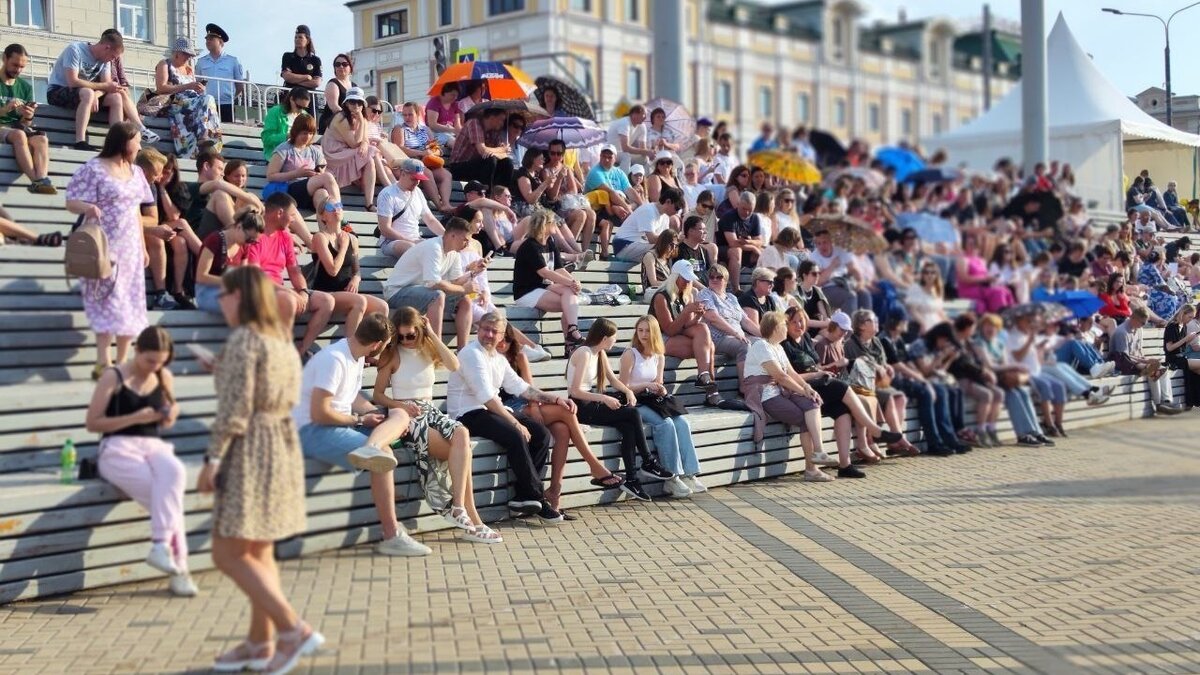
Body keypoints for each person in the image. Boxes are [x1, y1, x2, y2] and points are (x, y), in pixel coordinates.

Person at [197, 267, 324, 673]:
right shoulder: (280, 340)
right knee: (258, 549)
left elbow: (235, 410)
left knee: (227, 552)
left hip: (250, 446)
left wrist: (212, 459)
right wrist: (221, 371)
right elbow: (264, 390)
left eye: (227, 295)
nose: (221, 301)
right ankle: (259, 641)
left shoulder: (244, 341)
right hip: (280, 442)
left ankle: (292, 630)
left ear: (242, 298)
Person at [293, 312, 434, 557]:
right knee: (383, 457)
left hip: (339, 424)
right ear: (377, 344)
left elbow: (352, 397)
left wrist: (374, 412)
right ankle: (391, 535)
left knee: (400, 415)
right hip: (312, 431)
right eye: (387, 345)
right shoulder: (334, 360)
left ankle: (372, 446)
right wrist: (360, 419)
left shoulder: (355, 354)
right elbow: (319, 413)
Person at [373, 308, 502, 543]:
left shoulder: (427, 347)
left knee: (462, 433)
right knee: (463, 458)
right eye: (400, 336)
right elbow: (378, 395)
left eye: (410, 335)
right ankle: (473, 519)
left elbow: (454, 365)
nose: (405, 341)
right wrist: (400, 406)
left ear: (419, 330)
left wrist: (431, 333)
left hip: (430, 410)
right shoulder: (392, 355)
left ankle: (460, 508)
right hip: (405, 415)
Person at [85, 326, 196, 597]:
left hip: (153, 445)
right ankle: (180, 570)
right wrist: (136, 418)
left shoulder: (163, 375)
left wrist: (169, 414)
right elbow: (92, 423)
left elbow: (171, 410)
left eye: (161, 362)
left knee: (175, 472)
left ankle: (160, 547)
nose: (154, 367)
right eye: (149, 361)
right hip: (117, 446)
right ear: (136, 351)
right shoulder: (113, 376)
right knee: (169, 500)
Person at [446, 311, 568, 523]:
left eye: (495, 332)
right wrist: (514, 422)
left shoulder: (499, 359)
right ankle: (538, 496)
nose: (489, 335)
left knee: (541, 434)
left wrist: (554, 399)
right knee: (515, 434)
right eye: (486, 329)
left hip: (489, 411)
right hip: (467, 414)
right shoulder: (470, 354)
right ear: (478, 329)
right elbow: (485, 397)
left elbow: (522, 389)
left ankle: (524, 496)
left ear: (502, 336)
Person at [494, 324, 623, 514]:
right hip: (506, 409)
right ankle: (594, 465)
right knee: (566, 413)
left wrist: (534, 406)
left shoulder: (519, 357)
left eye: (506, 339)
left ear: (512, 340)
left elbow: (528, 387)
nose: (502, 343)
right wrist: (535, 406)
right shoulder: (490, 358)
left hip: (526, 405)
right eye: (500, 338)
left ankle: (555, 491)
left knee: (562, 430)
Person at [65, 123, 153, 380]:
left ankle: (122, 361)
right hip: (102, 245)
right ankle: (103, 360)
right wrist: (88, 208)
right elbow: (71, 202)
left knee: (130, 303)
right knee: (105, 300)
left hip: (130, 248)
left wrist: (143, 246)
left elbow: (137, 210)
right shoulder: (93, 169)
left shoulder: (136, 172)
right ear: (124, 141)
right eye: (136, 141)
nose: (139, 146)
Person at [780, 307, 901, 477]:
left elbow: (817, 366)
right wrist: (818, 373)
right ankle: (874, 430)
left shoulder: (806, 338)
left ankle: (845, 465)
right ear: (786, 323)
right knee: (841, 387)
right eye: (794, 322)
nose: (799, 325)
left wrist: (825, 369)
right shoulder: (784, 344)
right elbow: (790, 376)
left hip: (818, 385)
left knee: (843, 412)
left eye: (801, 320)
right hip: (801, 388)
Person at [568, 319, 673, 502]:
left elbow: (613, 380)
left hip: (591, 401)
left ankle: (632, 479)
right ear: (604, 338)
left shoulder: (600, 353)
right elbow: (575, 391)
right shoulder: (584, 352)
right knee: (633, 413)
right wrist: (605, 398)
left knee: (628, 425)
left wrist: (627, 391)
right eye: (613, 338)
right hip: (580, 405)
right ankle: (648, 461)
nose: (615, 342)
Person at [742, 311, 837, 482]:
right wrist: (803, 390)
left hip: (779, 391)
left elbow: (791, 373)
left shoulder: (778, 347)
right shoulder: (761, 346)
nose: (787, 328)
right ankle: (811, 470)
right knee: (803, 419)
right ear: (776, 328)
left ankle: (819, 452)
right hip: (764, 395)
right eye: (784, 325)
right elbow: (781, 377)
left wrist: (808, 388)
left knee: (812, 402)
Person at [238, 192, 337, 357]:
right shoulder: (254, 235)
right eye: (292, 215)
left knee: (327, 301)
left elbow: (294, 270)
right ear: (279, 214)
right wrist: (288, 292)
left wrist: (303, 291)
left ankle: (301, 350)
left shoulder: (284, 236)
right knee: (289, 299)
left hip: (280, 291)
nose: (293, 220)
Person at [618, 316, 705, 497]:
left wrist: (660, 389)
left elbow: (658, 382)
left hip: (652, 400)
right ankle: (671, 478)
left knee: (682, 423)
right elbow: (622, 386)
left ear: (655, 332)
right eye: (640, 330)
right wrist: (645, 386)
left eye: (648, 330)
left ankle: (689, 473)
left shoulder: (659, 355)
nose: (643, 334)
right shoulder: (630, 354)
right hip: (634, 401)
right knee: (666, 425)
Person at [47, 30, 160, 150]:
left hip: (85, 94)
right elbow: (72, 82)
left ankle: (118, 143)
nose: (112, 60)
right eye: (112, 56)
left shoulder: (105, 61)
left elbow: (107, 86)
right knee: (87, 93)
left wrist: (96, 95)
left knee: (116, 97)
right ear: (107, 48)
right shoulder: (75, 50)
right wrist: (96, 92)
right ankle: (80, 141)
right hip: (58, 90)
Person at [381, 216, 484, 345]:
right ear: (452, 236)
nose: (467, 244)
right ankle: (437, 346)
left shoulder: (454, 253)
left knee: (465, 301)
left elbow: (456, 281)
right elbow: (434, 283)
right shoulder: (433, 247)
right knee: (438, 295)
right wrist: (464, 289)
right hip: (396, 293)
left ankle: (462, 350)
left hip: (421, 293)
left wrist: (474, 272)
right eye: (465, 240)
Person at [971, 314, 1057, 446]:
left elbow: (1004, 363)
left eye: (994, 326)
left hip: (1002, 378)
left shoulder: (999, 343)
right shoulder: (979, 343)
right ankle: (1022, 434)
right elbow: (990, 365)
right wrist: (1015, 366)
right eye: (987, 325)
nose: (990, 329)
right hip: (987, 379)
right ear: (982, 327)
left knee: (1022, 392)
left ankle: (1035, 432)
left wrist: (1013, 368)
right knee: (1013, 395)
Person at [512, 208, 588, 353]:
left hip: (543, 288)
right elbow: (545, 272)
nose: (557, 224)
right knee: (569, 302)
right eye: (553, 222)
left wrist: (574, 282)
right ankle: (571, 339)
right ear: (544, 225)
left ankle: (571, 333)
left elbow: (559, 268)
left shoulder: (550, 242)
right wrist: (569, 283)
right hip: (527, 291)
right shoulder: (530, 246)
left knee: (570, 293)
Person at [308, 200, 389, 336]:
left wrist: (356, 280)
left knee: (382, 307)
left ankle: (369, 352)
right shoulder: (320, 237)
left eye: (339, 205)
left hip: (346, 294)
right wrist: (343, 247)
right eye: (330, 207)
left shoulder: (352, 239)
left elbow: (356, 271)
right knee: (359, 301)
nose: (336, 209)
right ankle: (350, 348)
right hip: (325, 293)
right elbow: (332, 271)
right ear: (322, 216)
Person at [650, 261, 722, 406]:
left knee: (703, 330)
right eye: (685, 278)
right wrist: (686, 311)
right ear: (675, 277)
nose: (688, 282)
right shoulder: (661, 297)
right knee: (709, 348)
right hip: (658, 338)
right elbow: (670, 329)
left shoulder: (685, 294)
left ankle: (704, 376)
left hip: (675, 335)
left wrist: (697, 316)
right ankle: (712, 392)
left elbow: (687, 325)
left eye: (690, 279)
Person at [153, 37, 222, 159]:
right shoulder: (165, 64)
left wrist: (197, 88)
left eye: (190, 55)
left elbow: (192, 89)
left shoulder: (189, 69)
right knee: (207, 99)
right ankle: (204, 136)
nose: (188, 57)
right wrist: (188, 86)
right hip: (174, 101)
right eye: (186, 54)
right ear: (177, 52)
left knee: (208, 98)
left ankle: (209, 138)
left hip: (191, 101)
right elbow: (161, 88)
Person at [0, 43, 55, 194]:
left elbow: (25, 124)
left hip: (17, 129)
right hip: (5, 129)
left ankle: (43, 179)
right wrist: (5, 109)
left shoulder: (25, 87)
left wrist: (28, 115)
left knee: (42, 139)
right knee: (19, 135)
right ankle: (35, 181)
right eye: (15, 65)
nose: (18, 70)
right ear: (4, 58)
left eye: (22, 67)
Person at [1110, 305, 1183, 416]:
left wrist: (1147, 360)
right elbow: (1123, 357)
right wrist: (1146, 362)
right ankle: (1158, 405)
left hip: (1137, 362)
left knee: (1162, 369)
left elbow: (1139, 351)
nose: (1143, 325)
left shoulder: (1139, 329)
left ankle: (1167, 401)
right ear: (1133, 318)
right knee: (1153, 370)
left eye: (1145, 323)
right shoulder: (1122, 332)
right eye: (1142, 323)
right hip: (1124, 364)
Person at [698, 263, 760, 389]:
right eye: (711, 277)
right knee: (744, 345)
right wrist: (736, 333)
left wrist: (765, 336)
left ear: (726, 281)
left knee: (763, 344)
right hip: (718, 338)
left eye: (719, 277)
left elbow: (745, 321)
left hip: (736, 337)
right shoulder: (705, 293)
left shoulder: (732, 297)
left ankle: (764, 385)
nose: (714, 279)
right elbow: (713, 318)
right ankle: (745, 388)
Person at [321, 87, 382, 211]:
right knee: (371, 152)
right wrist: (362, 123)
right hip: (334, 154)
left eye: (359, 103)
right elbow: (355, 143)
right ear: (346, 104)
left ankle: (369, 203)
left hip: (346, 152)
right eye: (352, 102)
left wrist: (364, 142)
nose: (356, 106)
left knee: (369, 158)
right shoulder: (341, 118)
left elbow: (363, 140)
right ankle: (389, 186)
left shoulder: (360, 118)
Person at [195, 208, 262, 315]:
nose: (250, 243)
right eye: (249, 239)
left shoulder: (244, 246)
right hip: (206, 291)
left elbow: (242, 276)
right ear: (239, 227)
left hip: (230, 292)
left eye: (253, 241)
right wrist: (231, 283)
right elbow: (201, 277)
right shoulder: (215, 240)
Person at [394, 101, 454, 211]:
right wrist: (421, 153)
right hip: (412, 162)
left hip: (427, 160)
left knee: (446, 175)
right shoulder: (400, 129)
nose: (407, 117)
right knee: (426, 173)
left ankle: (446, 203)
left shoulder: (425, 129)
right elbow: (400, 148)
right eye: (404, 115)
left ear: (417, 114)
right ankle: (439, 206)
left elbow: (437, 148)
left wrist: (433, 152)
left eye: (410, 114)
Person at [447, 107, 515, 188]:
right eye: (501, 120)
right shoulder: (474, 123)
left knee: (508, 163)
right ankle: (486, 193)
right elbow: (482, 151)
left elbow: (502, 154)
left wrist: (502, 150)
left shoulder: (494, 131)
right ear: (492, 118)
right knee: (490, 160)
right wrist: (502, 150)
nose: (502, 124)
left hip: (479, 166)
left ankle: (501, 193)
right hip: (459, 166)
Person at [612, 187, 684, 262]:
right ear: (668, 201)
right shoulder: (648, 210)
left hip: (638, 246)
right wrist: (676, 238)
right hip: (624, 246)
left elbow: (661, 239)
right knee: (663, 248)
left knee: (670, 249)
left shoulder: (665, 217)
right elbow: (652, 239)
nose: (676, 212)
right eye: (676, 208)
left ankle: (660, 273)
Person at [810, 229, 871, 314]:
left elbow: (853, 269)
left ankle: (866, 324)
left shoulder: (840, 250)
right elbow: (818, 282)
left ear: (831, 241)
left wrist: (860, 282)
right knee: (850, 296)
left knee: (864, 294)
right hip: (826, 289)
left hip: (845, 283)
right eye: (818, 243)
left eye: (825, 242)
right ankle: (849, 326)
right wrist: (832, 266)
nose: (822, 246)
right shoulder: (813, 257)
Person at [195, 23, 245, 124]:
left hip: (226, 105)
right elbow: (197, 83)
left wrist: (229, 97)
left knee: (226, 134)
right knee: (207, 133)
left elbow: (240, 86)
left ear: (220, 42)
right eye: (207, 39)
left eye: (211, 39)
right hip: (207, 103)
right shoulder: (201, 62)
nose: (207, 41)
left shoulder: (233, 61)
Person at [716, 191, 764, 292]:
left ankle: (760, 288)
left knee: (764, 252)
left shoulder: (754, 218)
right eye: (744, 209)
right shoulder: (729, 217)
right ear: (738, 204)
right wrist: (753, 246)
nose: (746, 212)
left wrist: (750, 243)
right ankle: (736, 289)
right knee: (736, 250)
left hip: (744, 252)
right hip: (724, 250)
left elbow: (760, 241)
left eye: (750, 210)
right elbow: (733, 243)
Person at [957, 232, 1015, 314]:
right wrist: (984, 279)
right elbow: (964, 278)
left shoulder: (981, 260)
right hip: (969, 290)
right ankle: (1001, 315)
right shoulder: (963, 260)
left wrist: (991, 279)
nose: (973, 246)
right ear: (965, 245)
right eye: (970, 244)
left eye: (975, 244)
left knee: (1006, 291)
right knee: (999, 292)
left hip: (982, 288)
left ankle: (1010, 314)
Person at [260, 85, 310, 161]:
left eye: (304, 108)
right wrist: (288, 136)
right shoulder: (275, 112)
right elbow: (267, 139)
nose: (301, 111)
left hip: (298, 156)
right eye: (299, 106)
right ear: (291, 99)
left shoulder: (305, 115)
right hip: (277, 156)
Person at [1164, 304, 1200, 409]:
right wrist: (1185, 339)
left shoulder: (1183, 326)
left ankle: (1194, 400)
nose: (1190, 320)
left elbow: (1182, 347)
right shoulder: (1172, 326)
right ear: (1183, 314)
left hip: (1182, 357)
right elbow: (1169, 348)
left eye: (1192, 318)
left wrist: (1190, 339)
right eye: (1189, 317)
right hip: (1173, 359)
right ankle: (1194, 401)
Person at [280, 24, 322, 103]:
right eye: (295, 37)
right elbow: (287, 76)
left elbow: (316, 82)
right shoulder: (288, 56)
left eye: (300, 37)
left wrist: (294, 81)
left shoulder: (315, 60)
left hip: (308, 101)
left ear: (308, 40)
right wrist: (306, 77)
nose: (297, 39)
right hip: (290, 100)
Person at [607, 105, 652, 170]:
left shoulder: (642, 126)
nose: (645, 117)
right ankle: (624, 179)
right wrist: (647, 152)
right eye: (644, 114)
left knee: (645, 158)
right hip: (611, 152)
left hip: (623, 153)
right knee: (626, 156)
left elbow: (643, 149)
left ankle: (645, 179)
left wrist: (650, 153)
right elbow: (625, 148)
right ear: (635, 114)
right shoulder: (624, 123)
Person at [317, 52, 352, 134]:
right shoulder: (332, 83)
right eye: (337, 64)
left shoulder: (354, 86)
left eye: (344, 64)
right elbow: (334, 107)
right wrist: (350, 119)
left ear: (350, 67)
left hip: (349, 123)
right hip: (332, 122)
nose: (341, 66)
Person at [675, 214, 716, 282]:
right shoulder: (680, 251)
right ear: (690, 231)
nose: (705, 232)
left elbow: (708, 273)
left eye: (705, 229)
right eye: (701, 229)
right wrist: (705, 290)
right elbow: (685, 277)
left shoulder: (704, 251)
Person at [640, 229, 679, 301]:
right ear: (664, 242)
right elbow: (653, 282)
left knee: (692, 291)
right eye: (671, 245)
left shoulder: (668, 258)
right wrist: (674, 285)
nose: (673, 248)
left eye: (675, 246)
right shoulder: (650, 256)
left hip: (667, 290)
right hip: (653, 292)